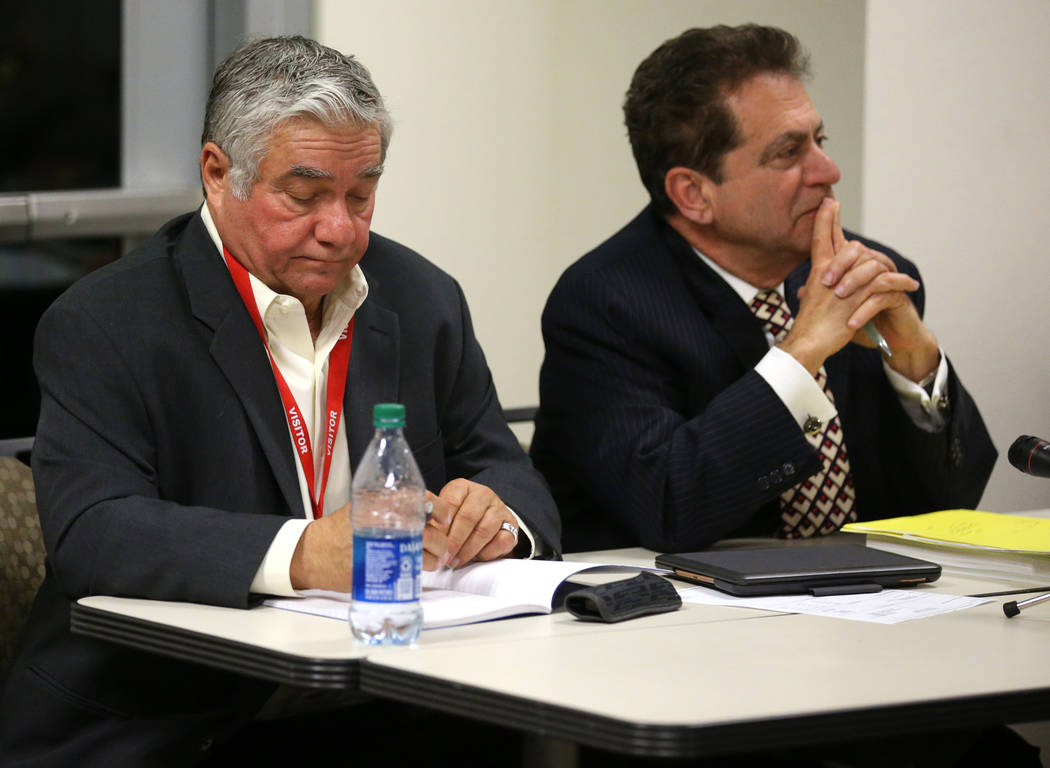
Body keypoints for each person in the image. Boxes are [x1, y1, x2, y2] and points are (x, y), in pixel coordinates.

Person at [0, 36, 559, 765]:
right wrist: (304, 553)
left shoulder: (423, 299)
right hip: (173, 714)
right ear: (217, 173)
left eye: (361, 195)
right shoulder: (105, 321)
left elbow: (509, 472)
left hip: (389, 694)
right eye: (303, 196)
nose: (340, 229)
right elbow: (96, 533)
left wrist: (500, 517)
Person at [531, 24, 996, 555]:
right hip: (677, 621)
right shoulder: (604, 302)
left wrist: (914, 364)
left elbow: (952, 506)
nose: (828, 170)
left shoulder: (868, 276)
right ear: (694, 194)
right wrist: (801, 355)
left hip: (866, 609)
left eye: (819, 140)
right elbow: (668, 506)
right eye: (788, 153)